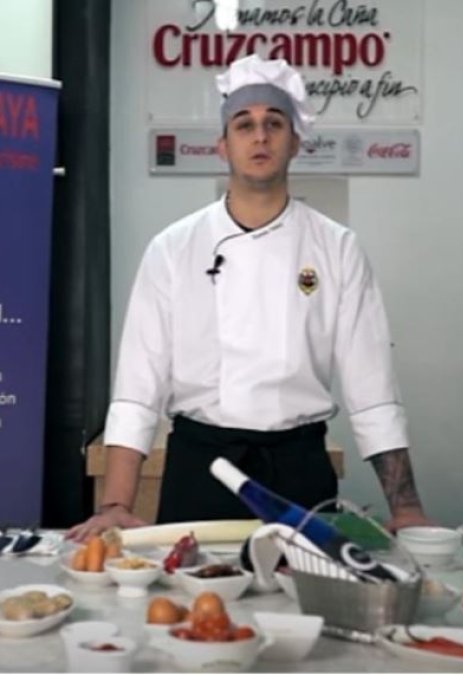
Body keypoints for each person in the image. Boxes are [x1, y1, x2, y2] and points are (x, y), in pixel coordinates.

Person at [68, 55, 432, 540]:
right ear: (223, 145)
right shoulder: (172, 248)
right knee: (198, 609)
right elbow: (138, 387)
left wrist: (405, 508)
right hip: (200, 469)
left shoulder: (337, 248)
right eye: (244, 124)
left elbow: (373, 391)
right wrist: (115, 503)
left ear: (295, 142)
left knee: (307, 606)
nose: (259, 136)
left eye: (273, 123)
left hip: (300, 469)